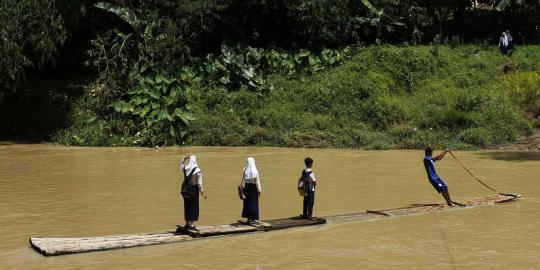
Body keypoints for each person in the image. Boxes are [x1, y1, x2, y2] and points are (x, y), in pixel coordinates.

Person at [180, 155, 206, 230]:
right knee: (193, 206)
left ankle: (186, 223)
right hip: (193, 190)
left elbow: (181, 164)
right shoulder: (198, 170)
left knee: (187, 206)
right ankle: (191, 225)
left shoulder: (185, 168)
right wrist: (202, 192)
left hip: (186, 190)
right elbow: (199, 183)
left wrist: (184, 158)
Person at [241, 157, 261, 224]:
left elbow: (243, 179)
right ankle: (252, 219)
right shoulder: (255, 171)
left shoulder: (244, 170)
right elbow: (257, 182)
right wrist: (259, 190)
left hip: (247, 188)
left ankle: (248, 219)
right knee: (254, 204)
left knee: (247, 203)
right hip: (253, 188)